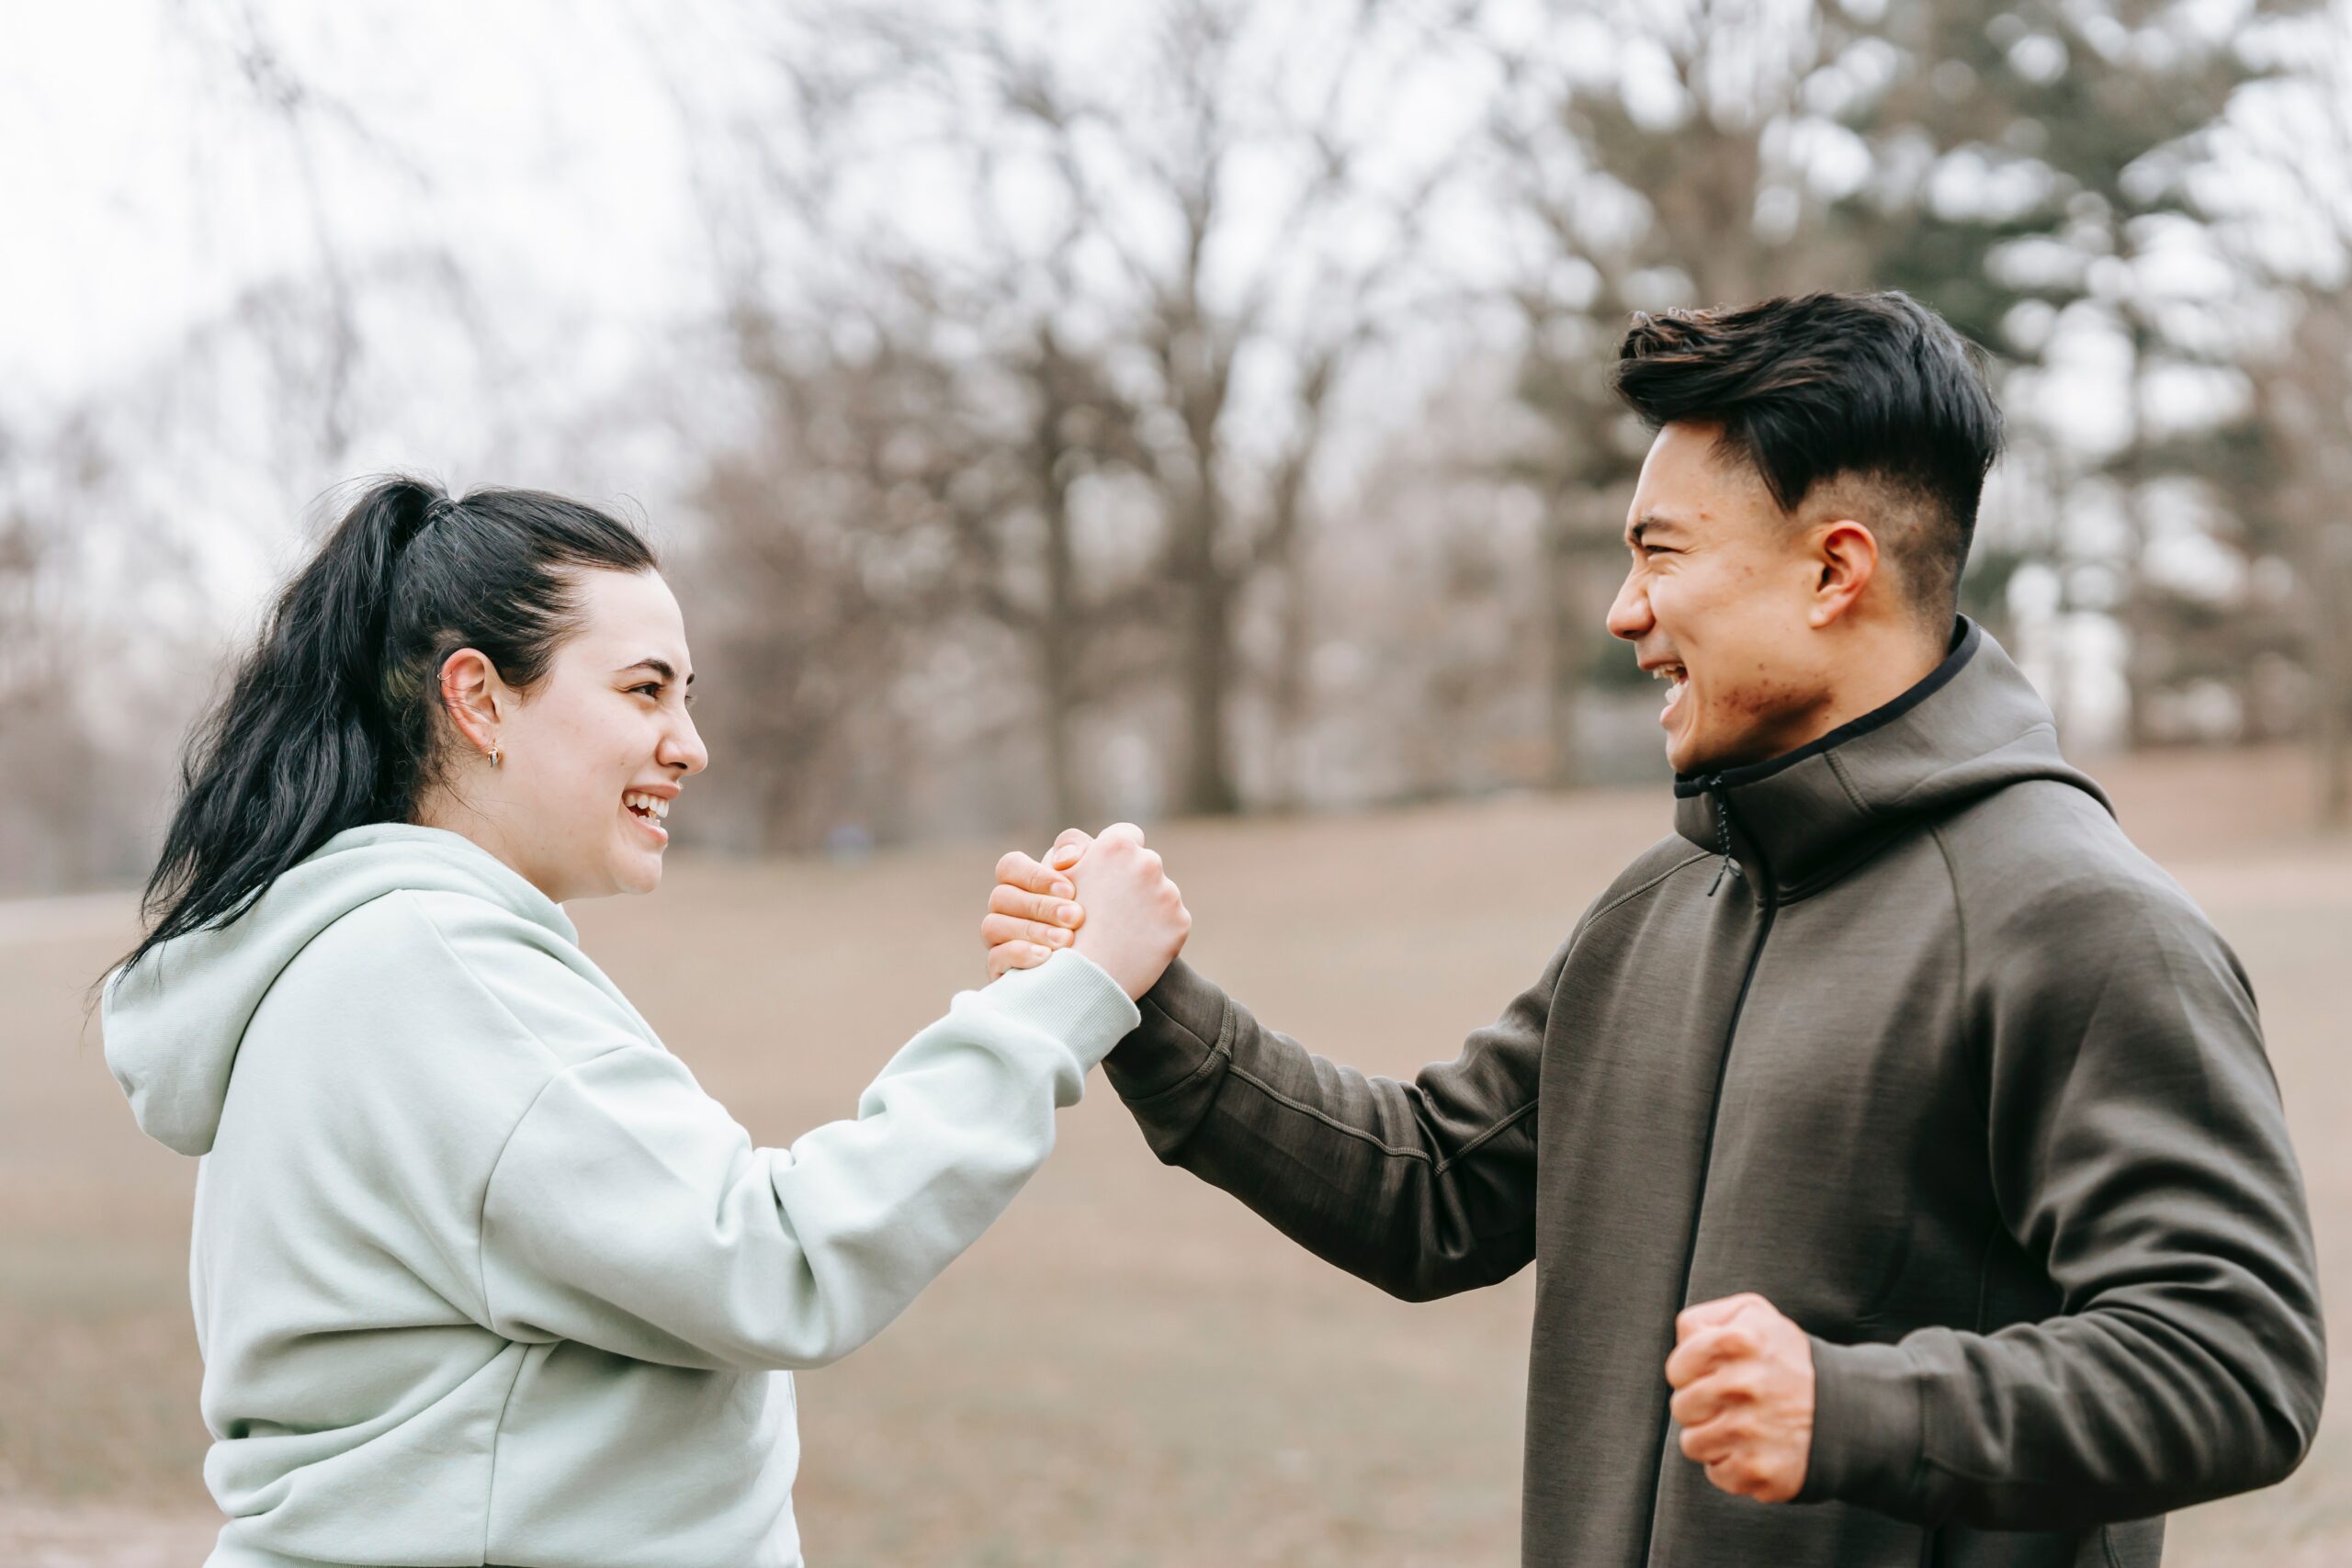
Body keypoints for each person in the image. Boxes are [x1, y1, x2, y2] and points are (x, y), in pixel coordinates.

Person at [985, 292, 2325, 1566]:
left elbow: (2235, 1356)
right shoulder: (1657, 908)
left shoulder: (2084, 924)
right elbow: (1430, 1189)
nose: (1624, 611)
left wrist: (1859, 1408)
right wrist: (1142, 997)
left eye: (1660, 553)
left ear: (1834, 571)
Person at [99, 478, 1191, 1568]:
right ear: (478, 700)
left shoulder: (382, 958)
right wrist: (1067, 998)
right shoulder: (427, 969)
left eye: (688, 695)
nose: (689, 744)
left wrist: (1032, 995)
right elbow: (775, 1260)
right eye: (643, 691)